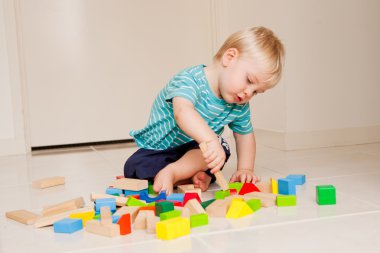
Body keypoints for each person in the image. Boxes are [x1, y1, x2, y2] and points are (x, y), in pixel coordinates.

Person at [124, 26, 285, 195]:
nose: (248, 93)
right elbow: (182, 112)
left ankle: (175, 173)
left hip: (195, 151)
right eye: (249, 80)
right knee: (134, 168)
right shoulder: (190, 80)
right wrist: (210, 140)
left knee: (221, 149)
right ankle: (188, 174)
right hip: (160, 149)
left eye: (256, 92)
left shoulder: (239, 104)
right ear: (229, 58)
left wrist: (245, 169)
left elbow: (245, 135)